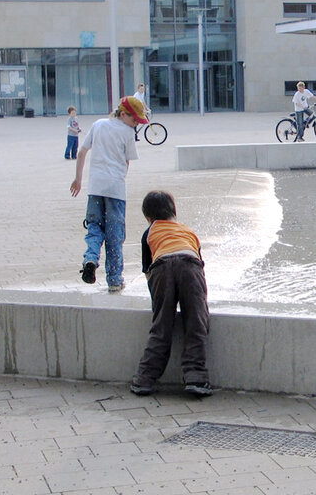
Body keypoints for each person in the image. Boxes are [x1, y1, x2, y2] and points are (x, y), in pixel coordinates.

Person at [130, 190, 212, 398]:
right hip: (190, 265)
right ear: (174, 212)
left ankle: (144, 380)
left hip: (162, 267)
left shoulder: (149, 232)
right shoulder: (188, 231)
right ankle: (196, 378)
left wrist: (160, 304)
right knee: (196, 323)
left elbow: (149, 272)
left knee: (161, 326)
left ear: (149, 218)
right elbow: (199, 268)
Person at [69, 96, 144, 292]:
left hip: (94, 188)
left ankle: (90, 259)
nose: (136, 124)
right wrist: (119, 177)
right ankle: (115, 280)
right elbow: (127, 162)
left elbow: (82, 152)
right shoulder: (128, 133)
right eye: (134, 120)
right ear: (123, 114)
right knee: (115, 236)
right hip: (116, 191)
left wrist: (78, 180)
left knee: (94, 228)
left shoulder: (98, 124)